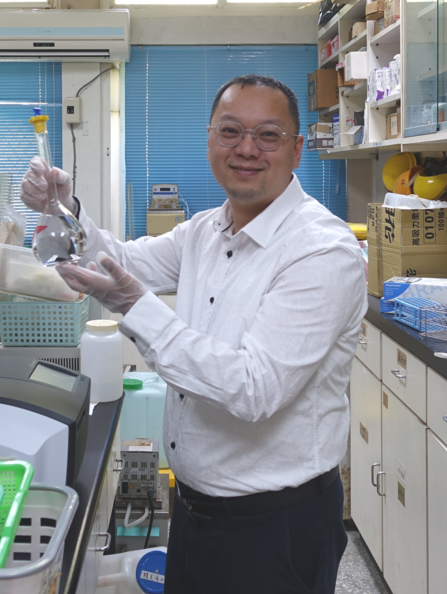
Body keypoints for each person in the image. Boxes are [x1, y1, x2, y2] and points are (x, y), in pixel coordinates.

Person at [20, 74, 366, 593]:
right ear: (209, 139)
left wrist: (133, 306)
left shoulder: (321, 251)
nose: (246, 149)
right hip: (195, 510)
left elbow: (254, 389)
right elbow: (125, 261)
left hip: (275, 526)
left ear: (296, 151)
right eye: (230, 131)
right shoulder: (207, 229)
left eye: (267, 135)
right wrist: (64, 212)